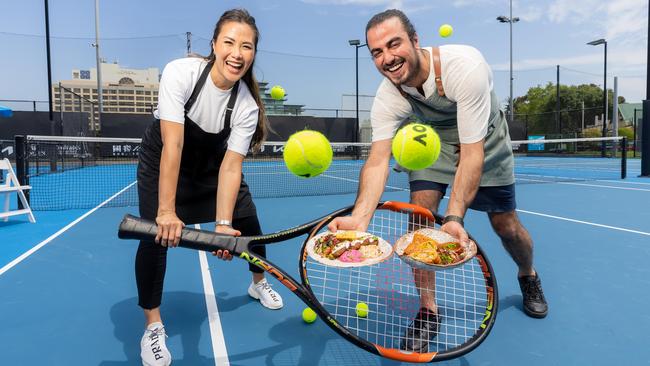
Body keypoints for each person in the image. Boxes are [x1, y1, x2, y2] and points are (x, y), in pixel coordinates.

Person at [328, 9, 548, 352]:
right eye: (376, 52)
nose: (386, 58)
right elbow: (377, 160)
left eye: (393, 44)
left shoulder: (465, 68)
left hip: (484, 143)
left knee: (506, 226)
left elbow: (472, 153)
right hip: (435, 145)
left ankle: (528, 275)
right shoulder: (389, 95)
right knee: (419, 219)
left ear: (416, 41)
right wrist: (360, 217)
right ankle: (429, 310)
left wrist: (455, 217)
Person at [134, 9, 283, 366]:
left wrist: (221, 224)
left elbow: (231, 167)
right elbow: (174, 145)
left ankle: (257, 281)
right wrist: (167, 213)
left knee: (250, 224)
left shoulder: (245, 105)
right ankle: (153, 326)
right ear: (214, 45)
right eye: (229, 42)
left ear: (253, 54)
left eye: (246, 46)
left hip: (213, 168)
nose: (237, 53)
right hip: (164, 162)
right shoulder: (180, 73)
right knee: (154, 238)